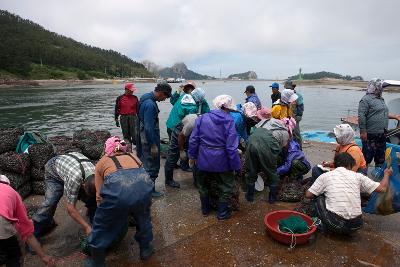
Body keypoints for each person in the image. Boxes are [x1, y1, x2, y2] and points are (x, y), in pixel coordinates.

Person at [87, 136, 154, 266]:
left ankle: (97, 262)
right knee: (143, 218)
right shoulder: (133, 156)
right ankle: (145, 249)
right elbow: (143, 176)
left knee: (100, 228)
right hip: (144, 191)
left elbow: (99, 195)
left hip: (119, 193)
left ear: (107, 148)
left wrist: (103, 214)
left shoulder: (102, 162)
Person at [305, 152, 391, 235]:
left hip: (334, 223)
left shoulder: (326, 176)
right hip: (356, 225)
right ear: (350, 165)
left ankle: (321, 224)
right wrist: (386, 174)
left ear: (335, 164)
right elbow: (383, 188)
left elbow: (308, 195)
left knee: (319, 196)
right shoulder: (358, 176)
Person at [188, 95, 241, 220]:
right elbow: (231, 148)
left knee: (202, 184)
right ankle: (222, 213)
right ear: (228, 108)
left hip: (203, 159)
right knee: (227, 186)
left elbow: (193, 140)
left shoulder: (202, 118)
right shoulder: (229, 120)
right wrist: (236, 165)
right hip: (221, 161)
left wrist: (192, 156)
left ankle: (205, 209)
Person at [33, 152, 96, 238]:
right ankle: (34, 233)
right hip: (54, 170)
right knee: (50, 202)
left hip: (70, 166)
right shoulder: (75, 179)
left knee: (92, 199)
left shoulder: (97, 173)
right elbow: (70, 209)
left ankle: (94, 220)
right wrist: (86, 227)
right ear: (83, 185)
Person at [0, 175, 55, 267]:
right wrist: (44, 256)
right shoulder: (12, 193)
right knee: (14, 254)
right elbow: (26, 231)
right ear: (7, 183)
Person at [164, 88, 211, 187]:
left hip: (180, 125)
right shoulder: (191, 106)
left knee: (192, 152)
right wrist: (181, 150)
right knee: (173, 155)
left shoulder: (185, 97)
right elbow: (183, 132)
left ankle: (191, 174)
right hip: (179, 128)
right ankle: (168, 180)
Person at [244, 118, 293, 204]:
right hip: (267, 143)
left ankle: (249, 197)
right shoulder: (285, 133)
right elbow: (283, 148)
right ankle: (272, 199)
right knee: (271, 172)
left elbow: (253, 129)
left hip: (251, 140)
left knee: (251, 170)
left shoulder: (267, 120)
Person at [137, 82, 172, 198]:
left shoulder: (145, 97)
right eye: (165, 96)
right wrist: (153, 145)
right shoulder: (150, 105)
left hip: (142, 137)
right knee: (152, 165)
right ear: (161, 93)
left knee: (145, 163)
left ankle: (144, 188)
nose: (165, 99)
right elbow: (148, 127)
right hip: (148, 140)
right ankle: (150, 191)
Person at [358, 78, 400, 168]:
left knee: (381, 157)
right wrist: (363, 131)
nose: (381, 88)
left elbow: (383, 113)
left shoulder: (381, 99)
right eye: (380, 86)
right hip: (370, 134)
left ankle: (378, 174)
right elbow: (361, 116)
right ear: (374, 86)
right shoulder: (365, 99)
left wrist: (395, 117)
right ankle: (362, 174)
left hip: (382, 133)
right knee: (367, 157)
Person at [115, 83, 139, 149]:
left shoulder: (135, 98)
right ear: (126, 90)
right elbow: (117, 108)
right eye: (131, 90)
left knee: (135, 135)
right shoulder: (120, 98)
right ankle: (129, 150)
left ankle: (138, 148)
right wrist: (116, 119)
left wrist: (140, 119)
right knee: (126, 135)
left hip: (133, 117)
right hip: (123, 118)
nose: (132, 91)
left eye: (133, 90)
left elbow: (138, 109)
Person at [284, 81, 304, 148]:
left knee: (296, 133)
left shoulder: (298, 96)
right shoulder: (285, 95)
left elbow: (301, 107)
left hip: (295, 117)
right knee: (288, 133)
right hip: (286, 117)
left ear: (292, 88)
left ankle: (299, 148)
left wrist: (299, 116)